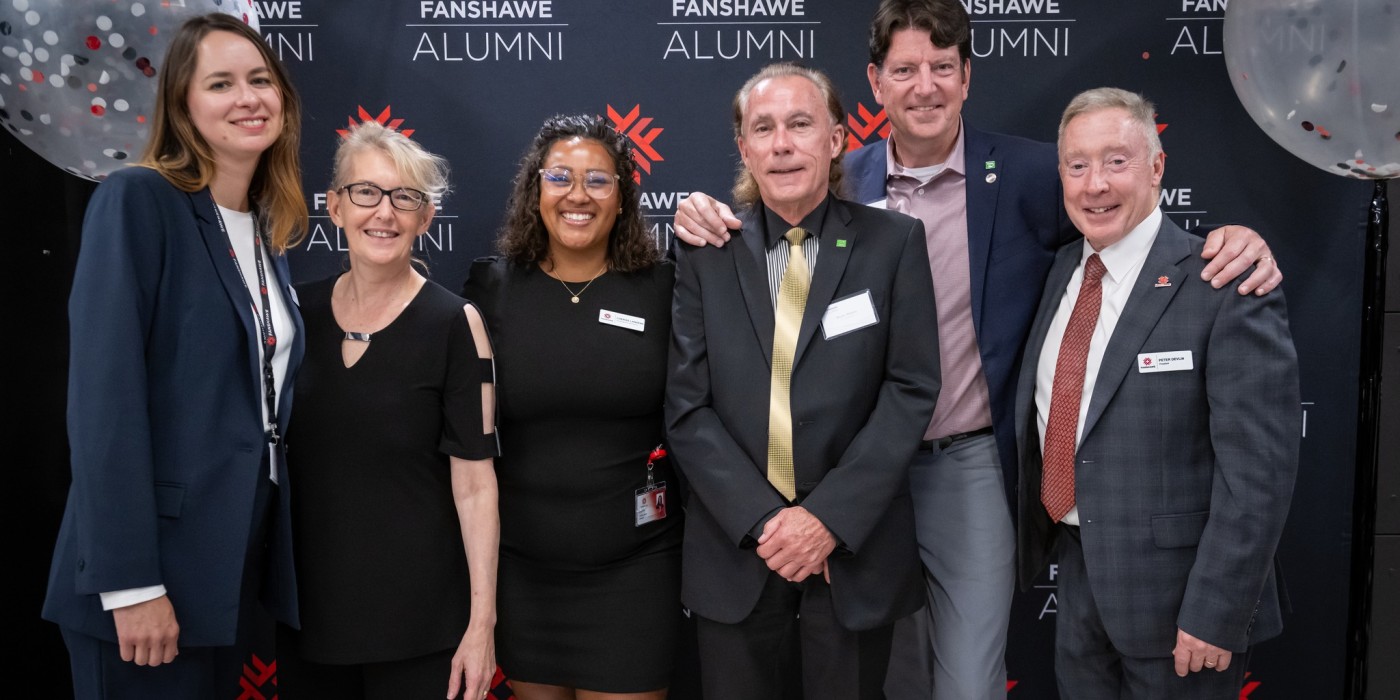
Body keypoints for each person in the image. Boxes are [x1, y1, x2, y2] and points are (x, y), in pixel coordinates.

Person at [671, 2, 1284, 697]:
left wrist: (1233, 239)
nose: (924, 86)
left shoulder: (1031, 174)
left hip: (964, 465)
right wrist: (703, 210)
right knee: (886, 674)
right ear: (875, 83)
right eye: (905, 69)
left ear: (966, 77)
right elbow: (764, 234)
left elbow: (1123, 224)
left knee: (966, 680)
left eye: (942, 67)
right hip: (850, 470)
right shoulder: (840, 177)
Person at [41, 13, 308, 697]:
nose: (248, 98)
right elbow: (105, 405)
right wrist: (131, 584)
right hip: (146, 578)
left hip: (228, 576)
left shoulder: (264, 234)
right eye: (220, 84)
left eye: (260, 80)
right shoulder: (138, 200)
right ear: (183, 107)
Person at [665, 62, 940, 700]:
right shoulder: (707, 252)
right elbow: (687, 406)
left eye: (800, 124)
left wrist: (825, 519)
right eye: (763, 129)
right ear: (744, 149)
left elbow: (910, 390)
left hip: (850, 552)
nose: (782, 144)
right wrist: (767, 522)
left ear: (836, 138)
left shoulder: (893, 243)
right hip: (738, 551)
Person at [1015, 86, 1298, 699]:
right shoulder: (1057, 271)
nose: (1095, 184)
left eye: (1116, 161)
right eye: (1077, 165)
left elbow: (1258, 475)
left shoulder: (1223, 282)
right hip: (1079, 584)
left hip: (1182, 607)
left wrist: (1217, 611)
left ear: (1157, 166)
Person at [462, 113, 682, 700]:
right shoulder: (491, 289)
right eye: (560, 177)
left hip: (636, 570)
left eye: (598, 180)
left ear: (623, 197)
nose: (577, 195)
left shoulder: (665, 288)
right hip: (525, 574)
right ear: (535, 191)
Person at [276, 121, 499, 700]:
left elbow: (476, 485)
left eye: (405, 198)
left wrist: (481, 625)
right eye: (366, 192)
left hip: (422, 626)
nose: (385, 212)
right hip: (310, 619)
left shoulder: (455, 324)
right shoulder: (295, 314)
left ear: (426, 218)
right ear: (335, 207)